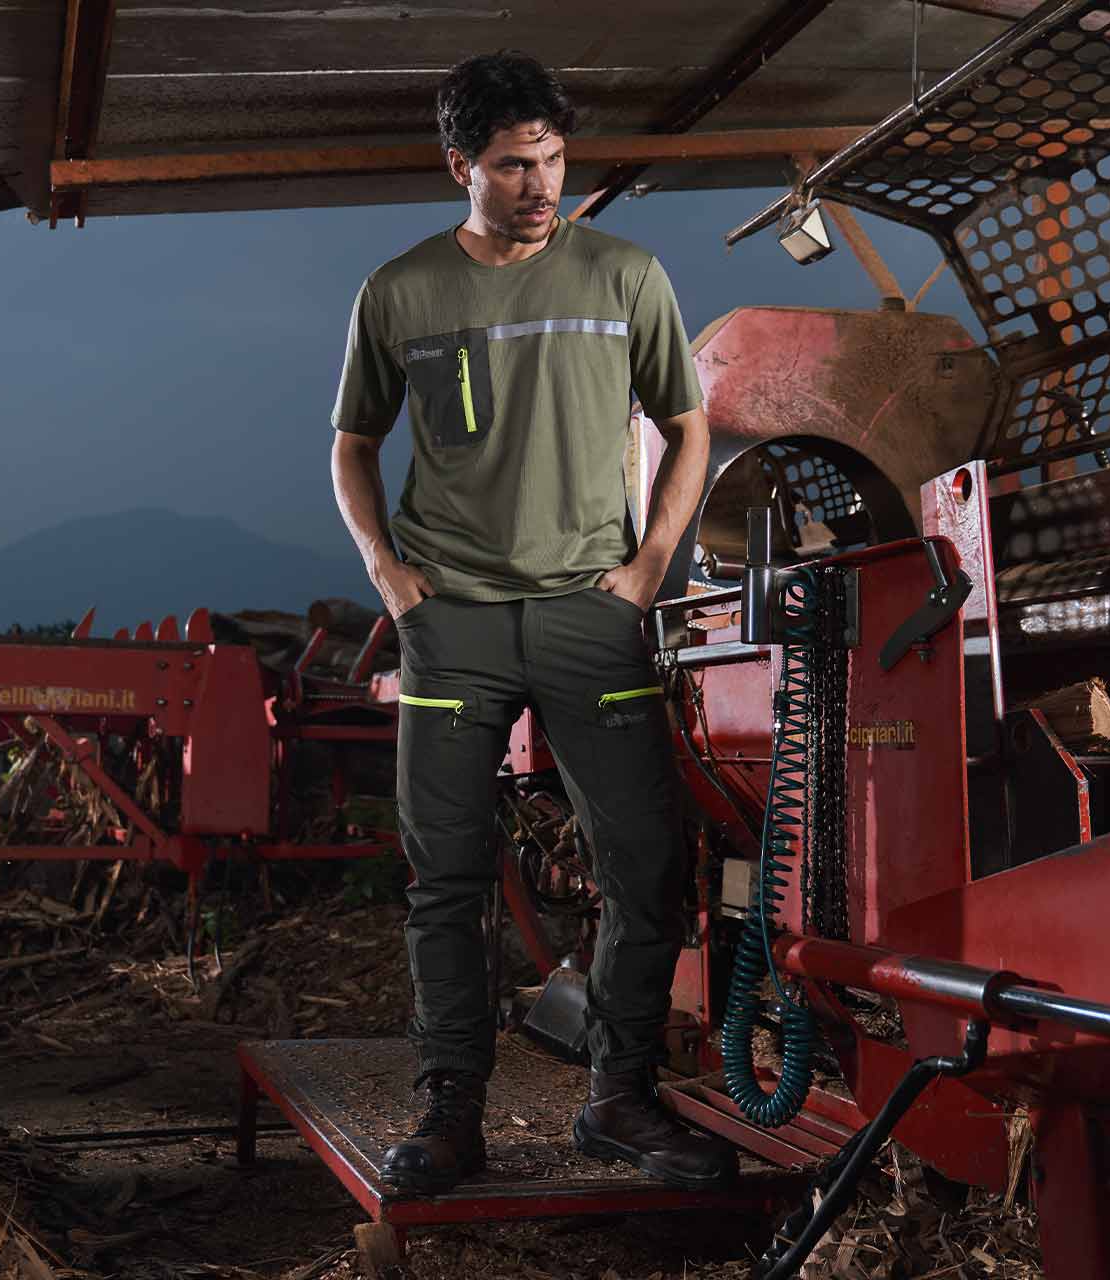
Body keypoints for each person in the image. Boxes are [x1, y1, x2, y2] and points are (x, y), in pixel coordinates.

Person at [331, 51, 734, 1197]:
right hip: (450, 619)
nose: (539, 183)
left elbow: (688, 424)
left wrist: (645, 568)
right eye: (512, 164)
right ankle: (449, 1112)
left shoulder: (624, 275)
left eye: (552, 159)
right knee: (446, 878)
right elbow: (351, 444)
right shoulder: (400, 291)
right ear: (458, 165)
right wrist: (389, 576)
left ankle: (617, 1097)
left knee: (643, 862)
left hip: (586, 614)